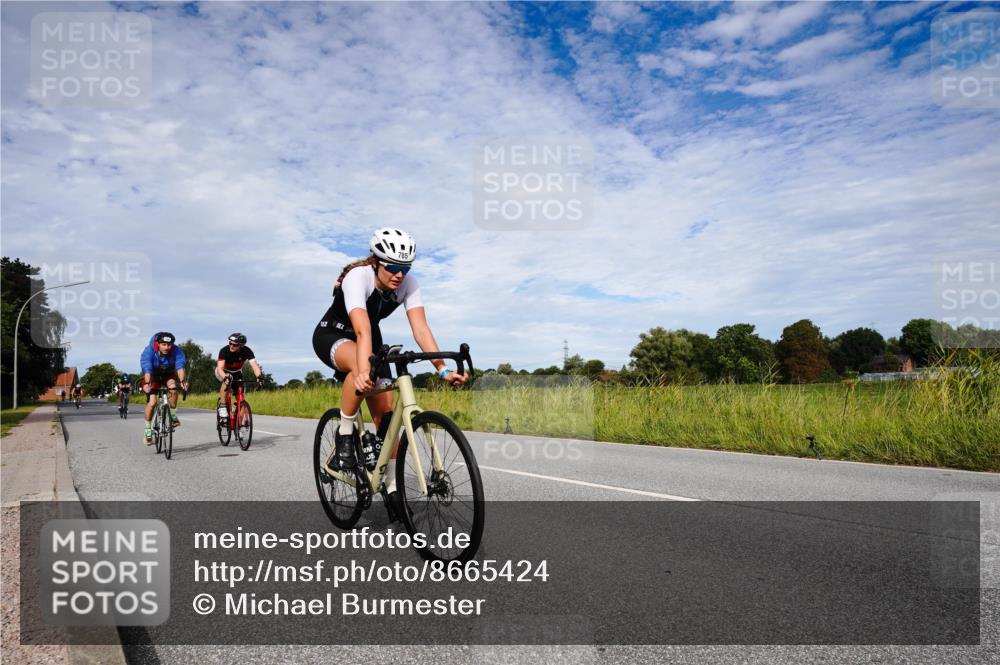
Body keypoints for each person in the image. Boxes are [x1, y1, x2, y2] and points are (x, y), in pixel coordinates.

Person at [312, 227, 467, 500]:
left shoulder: (409, 284)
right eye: (393, 267)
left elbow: (420, 329)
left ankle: (393, 487)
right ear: (375, 262)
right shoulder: (358, 277)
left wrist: (442, 369)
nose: (399, 274)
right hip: (333, 334)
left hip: (371, 338)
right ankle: (345, 433)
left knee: (386, 421)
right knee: (359, 369)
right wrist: (363, 372)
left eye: (405, 268)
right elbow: (362, 331)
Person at [139, 332, 188, 445]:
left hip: (168, 375)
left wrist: (182, 381)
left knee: (174, 388)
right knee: (152, 402)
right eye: (164, 344)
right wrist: (147, 383)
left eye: (169, 345)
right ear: (158, 344)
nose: (166, 347)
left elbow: (180, 367)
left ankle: (173, 415)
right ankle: (147, 430)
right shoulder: (150, 350)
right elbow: (147, 367)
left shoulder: (176, 351)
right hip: (153, 376)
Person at [215, 332, 264, 414]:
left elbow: (255, 366)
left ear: (241, 346)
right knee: (228, 378)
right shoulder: (224, 350)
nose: (231, 346)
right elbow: (220, 368)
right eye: (230, 343)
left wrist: (259, 377)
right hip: (223, 371)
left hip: (237, 372)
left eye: (235, 345)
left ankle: (238, 424)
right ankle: (223, 406)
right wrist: (225, 377)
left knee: (241, 399)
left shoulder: (247, 351)